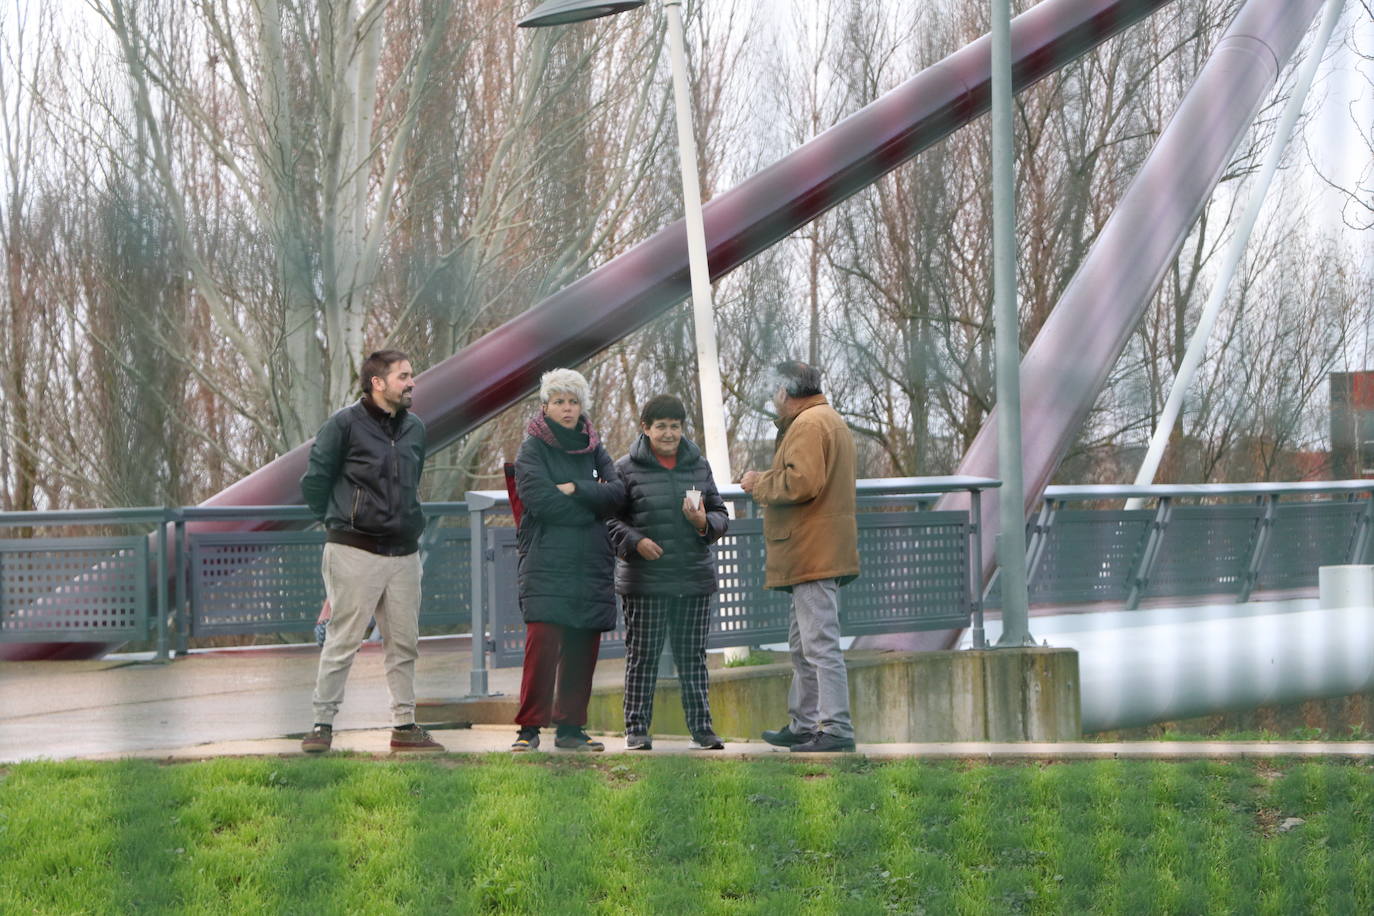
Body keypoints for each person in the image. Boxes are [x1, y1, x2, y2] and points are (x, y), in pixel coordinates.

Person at [298, 349, 443, 754]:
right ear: (377, 383)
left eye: (411, 375)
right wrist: (340, 522)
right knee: (342, 639)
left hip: (404, 553)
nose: (412, 382)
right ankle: (322, 724)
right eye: (403, 376)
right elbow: (314, 483)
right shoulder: (343, 425)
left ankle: (405, 726)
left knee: (404, 642)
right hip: (353, 549)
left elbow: (411, 482)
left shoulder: (415, 428)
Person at [740, 361, 860, 752]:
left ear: (785, 391)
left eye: (774, 391)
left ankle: (835, 727)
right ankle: (804, 723)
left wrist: (759, 484)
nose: (772, 400)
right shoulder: (828, 419)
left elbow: (803, 481)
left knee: (819, 644)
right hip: (815, 547)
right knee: (803, 643)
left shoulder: (808, 425)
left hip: (812, 548)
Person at [511, 368, 625, 752]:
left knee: (582, 646)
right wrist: (590, 507)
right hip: (547, 561)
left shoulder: (595, 448)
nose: (566, 408)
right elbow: (539, 500)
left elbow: (619, 494)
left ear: (582, 406)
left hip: (590, 562)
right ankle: (528, 729)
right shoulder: (532, 448)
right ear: (546, 406)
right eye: (559, 401)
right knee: (542, 645)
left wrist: (577, 488)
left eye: (573, 401)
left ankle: (571, 728)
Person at [608, 395, 730, 751]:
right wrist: (636, 541)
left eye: (675, 426)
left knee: (692, 657)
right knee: (643, 656)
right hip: (645, 581)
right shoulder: (624, 469)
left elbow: (721, 515)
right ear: (645, 429)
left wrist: (703, 521)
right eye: (660, 425)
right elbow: (608, 520)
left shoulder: (699, 465)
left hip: (693, 577)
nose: (668, 433)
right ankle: (636, 729)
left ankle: (702, 731)